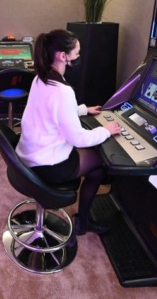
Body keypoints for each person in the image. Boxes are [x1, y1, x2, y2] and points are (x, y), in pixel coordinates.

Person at [16, 29, 121, 235]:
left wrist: (82, 110)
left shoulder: (40, 79)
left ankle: (85, 219)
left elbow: (51, 111)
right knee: (100, 165)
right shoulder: (63, 91)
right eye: (76, 53)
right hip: (48, 166)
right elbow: (78, 138)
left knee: (94, 157)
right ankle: (84, 222)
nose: (78, 57)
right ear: (63, 56)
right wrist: (106, 130)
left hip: (28, 156)